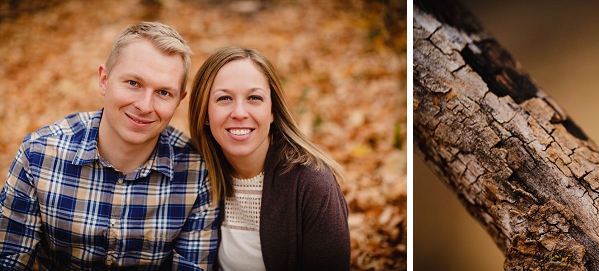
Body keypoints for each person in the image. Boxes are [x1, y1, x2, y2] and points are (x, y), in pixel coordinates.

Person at [0, 22, 219, 270]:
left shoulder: (196, 173)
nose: (145, 106)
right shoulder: (39, 155)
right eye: (133, 83)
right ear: (104, 79)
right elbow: (10, 258)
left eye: (163, 93)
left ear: (179, 100)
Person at [188, 46, 350, 270]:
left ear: (272, 110)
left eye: (254, 98)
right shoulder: (195, 175)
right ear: (205, 113)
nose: (239, 112)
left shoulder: (311, 185)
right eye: (224, 98)